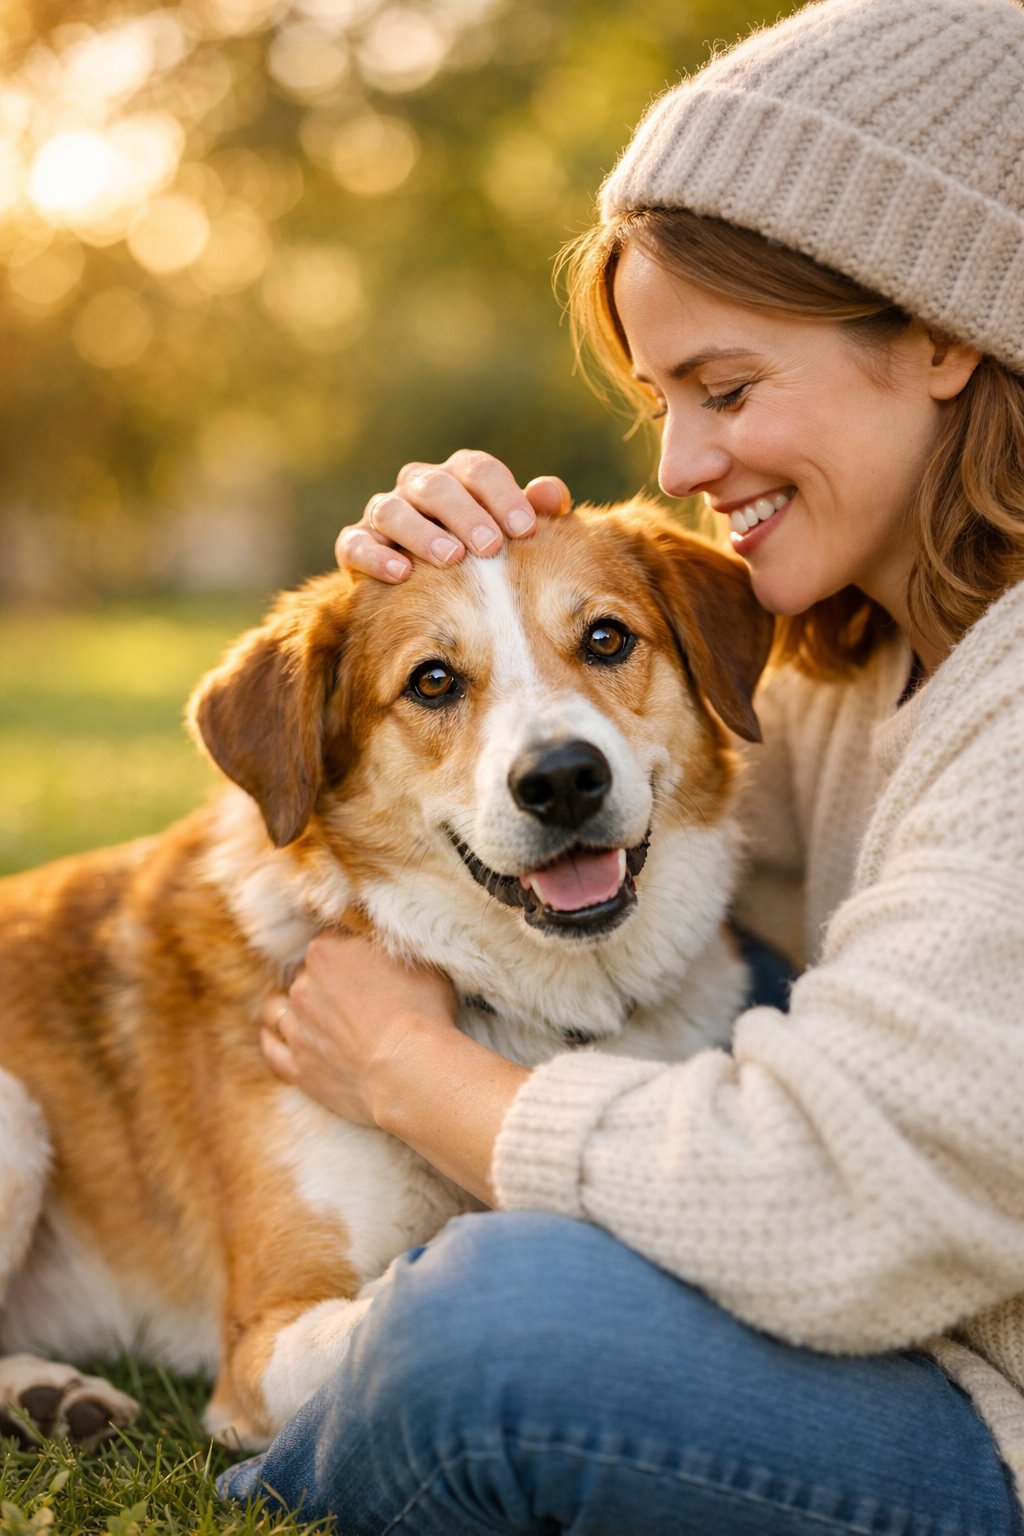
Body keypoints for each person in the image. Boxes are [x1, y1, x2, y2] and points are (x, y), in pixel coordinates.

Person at [217, 0, 1024, 1529]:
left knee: (491, 1326)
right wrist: (442, 600)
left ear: (938, 333)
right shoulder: (866, 659)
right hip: (932, 1333)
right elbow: (639, 813)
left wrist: (409, 1072)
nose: (680, 468)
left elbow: (821, 1197)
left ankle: (301, 1459)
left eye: (726, 390)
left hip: (989, 1423)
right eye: (662, 404)